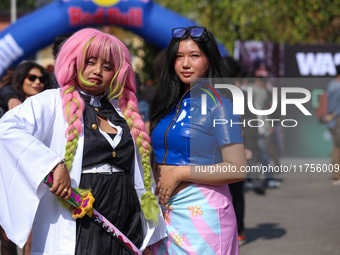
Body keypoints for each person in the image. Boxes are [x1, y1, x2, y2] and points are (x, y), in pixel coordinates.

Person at [0, 28, 166, 255]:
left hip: (125, 217)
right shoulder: (52, 101)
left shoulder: (123, 112)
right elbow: (7, 129)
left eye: (107, 67)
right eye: (89, 62)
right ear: (74, 62)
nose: (97, 71)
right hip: (78, 217)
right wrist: (51, 164)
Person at [149, 26, 247, 254]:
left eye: (194, 56)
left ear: (209, 59)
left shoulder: (221, 104)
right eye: (179, 57)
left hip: (204, 216)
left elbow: (238, 169)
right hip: (165, 214)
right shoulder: (165, 104)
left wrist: (180, 173)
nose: (185, 64)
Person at [0, 61, 49, 255]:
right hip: (10, 178)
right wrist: (10, 98)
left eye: (42, 79)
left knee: (33, 233)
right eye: (32, 78)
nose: (38, 82)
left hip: (38, 177)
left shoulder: (49, 105)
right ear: (21, 80)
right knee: (7, 236)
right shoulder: (9, 103)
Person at [325, 64, 340, 185]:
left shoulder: (331, 84)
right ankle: (336, 176)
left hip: (332, 121)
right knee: (337, 148)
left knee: (336, 147)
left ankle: (336, 175)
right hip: (337, 120)